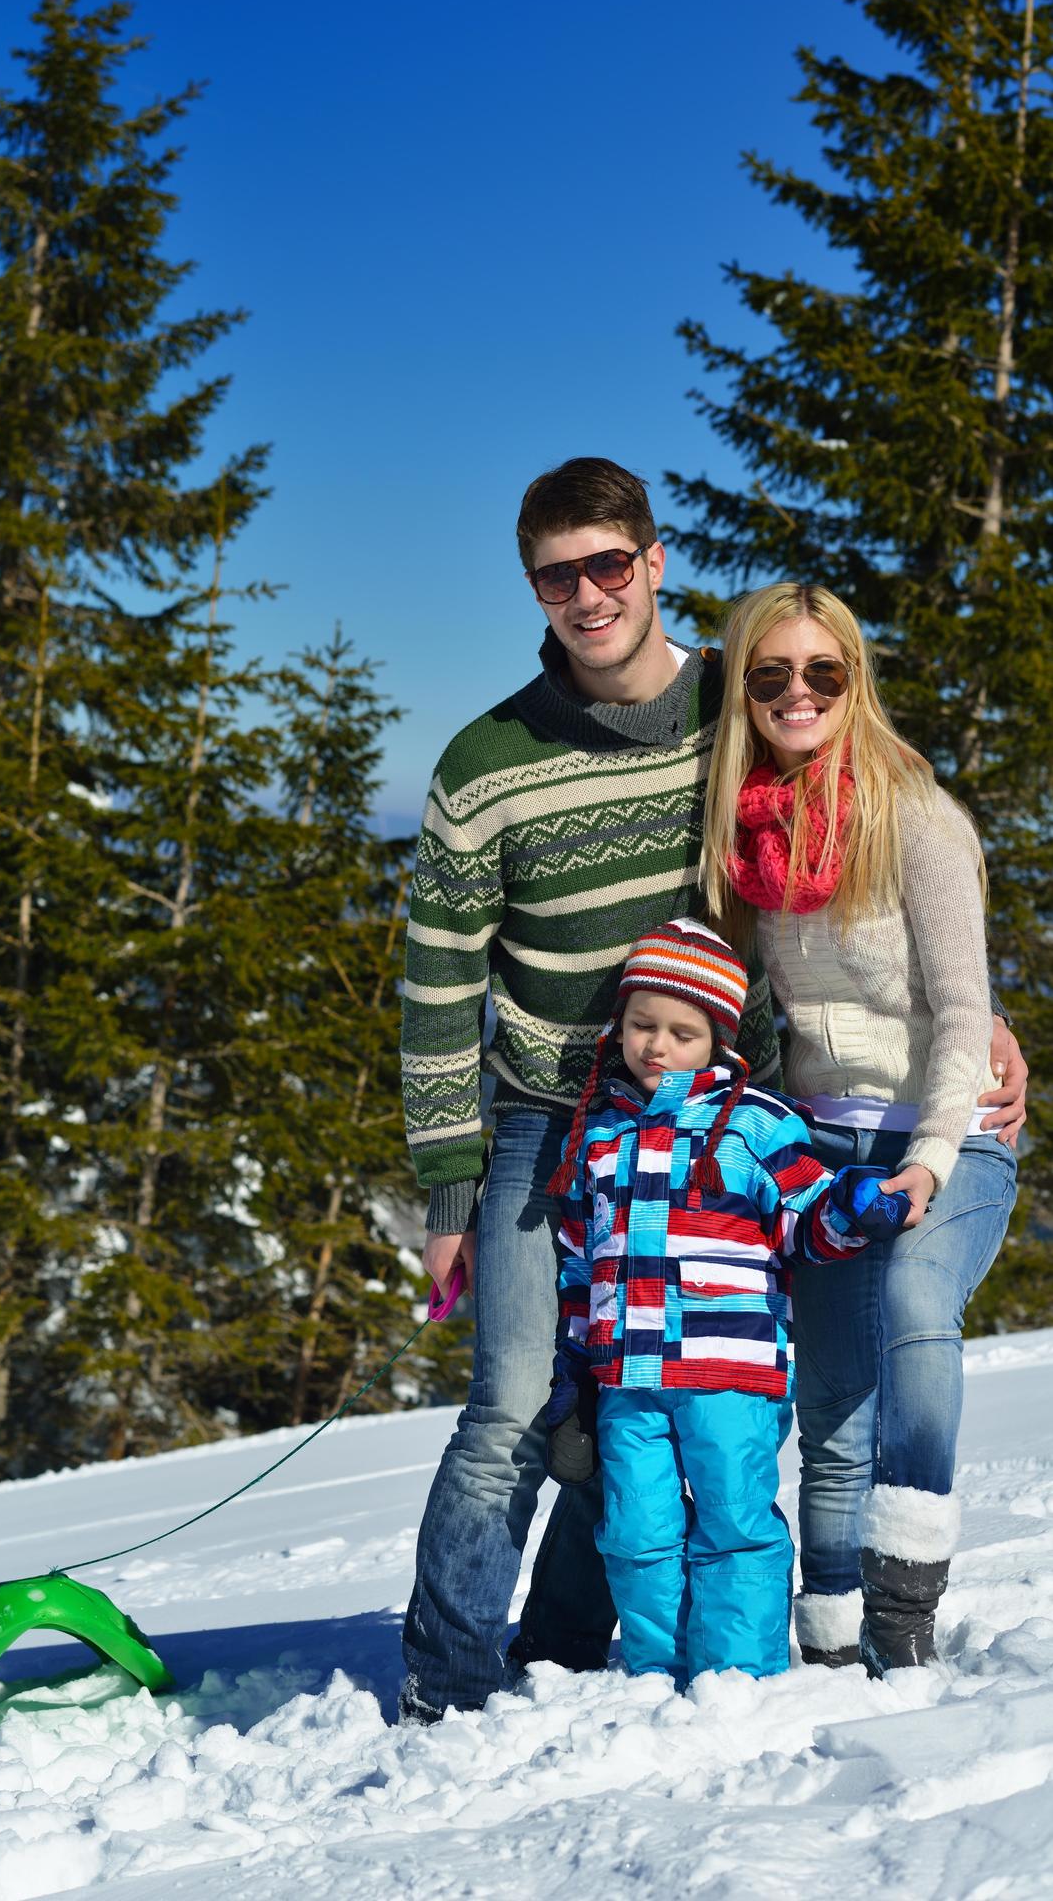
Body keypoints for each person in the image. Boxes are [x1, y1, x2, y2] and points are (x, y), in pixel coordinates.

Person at [397, 460, 1025, 1721]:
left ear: (654, 561)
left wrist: (984, 1018)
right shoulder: (486, 761)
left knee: (657, 1380)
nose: (587, 595)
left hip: (708, 1125)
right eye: (557, 575)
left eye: (608, 565)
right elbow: (433, 982)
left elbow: (852, 839)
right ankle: (446, 1682)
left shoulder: (728, 705)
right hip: (544, 1120)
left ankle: (581, 1640)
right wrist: (449, 1183)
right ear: (533, 584)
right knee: (522, 1397)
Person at [701, 581, 1020, 1675]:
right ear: (744, 690)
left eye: (823, 673)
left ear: (855, 681)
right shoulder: (745, 835)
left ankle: (905, 1604)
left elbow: (963, 1008)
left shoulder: (916, 815)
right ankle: (830, 1629)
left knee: (913, 1297)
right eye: (772, 674)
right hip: (822, 1142)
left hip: (954, 1125)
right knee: (831, 1394)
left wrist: (933, 1155)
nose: (799, 693)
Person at [542, 917, 898, 1683]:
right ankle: (655, 1673)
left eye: (681, 1032)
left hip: (731, 1374)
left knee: (735, 1522)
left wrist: (852, 1208)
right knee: (636, 1530)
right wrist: (574, 1366)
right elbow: (580, 1262)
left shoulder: (756, 1125)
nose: (656, 1046)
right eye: (642, 1025)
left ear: (720, 1040)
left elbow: (805, 1223)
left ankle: (741, 1676)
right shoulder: (598, 1137)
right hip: (628, 1380)